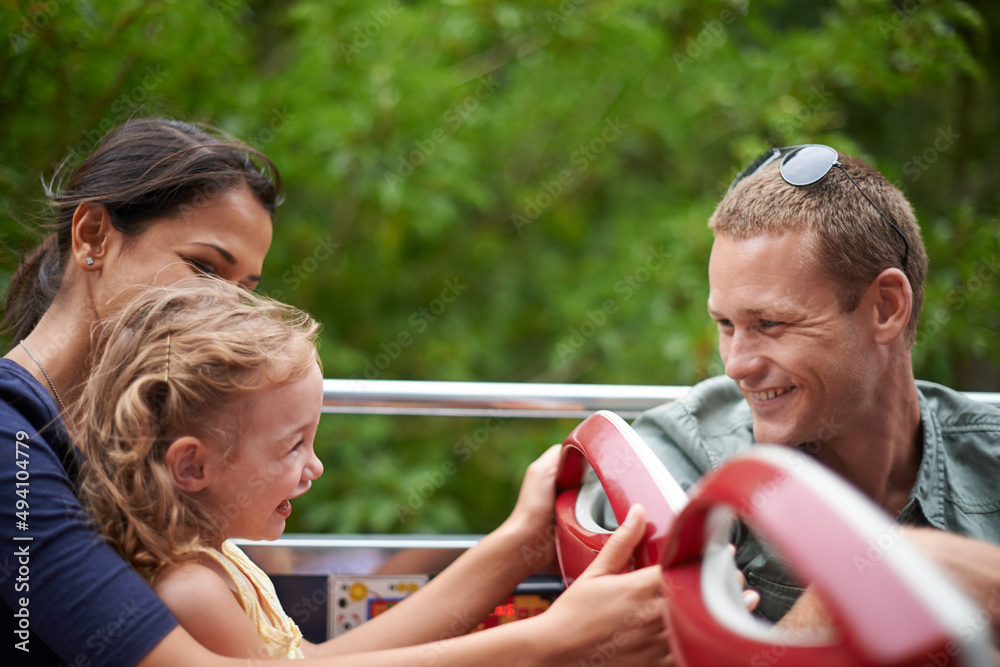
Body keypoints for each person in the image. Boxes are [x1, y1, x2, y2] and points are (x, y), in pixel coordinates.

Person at [0, 118, 669, 666]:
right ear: (92, 235)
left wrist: (521, 543)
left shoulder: (103, 447)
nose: (225, 309)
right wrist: (552, 639)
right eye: (205, 269)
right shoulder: (11, 441)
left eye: (246, 288)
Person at [73, 279, 669, 663]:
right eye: (291, 446)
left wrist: (519, 543)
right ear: (192, 465)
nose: (316, 466)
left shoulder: (216, 555)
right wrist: (551, 639)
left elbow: (321, 661)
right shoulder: (190, 588)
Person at [620, 144, 1000, 630]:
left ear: (886, 307)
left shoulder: (987, 462)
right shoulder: (682, 457)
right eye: (726, 324)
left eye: (770, 323)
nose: (736, 365)